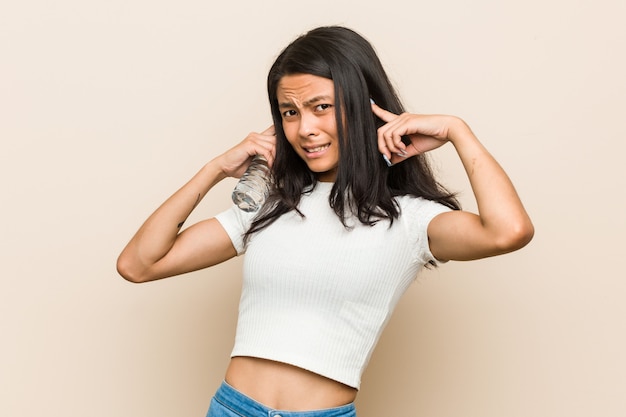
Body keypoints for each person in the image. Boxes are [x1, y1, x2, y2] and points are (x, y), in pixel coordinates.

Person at [117, 25, 534, 417]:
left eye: (321, 108)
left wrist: (458, 131)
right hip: (233, 408)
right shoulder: (270, 206)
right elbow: (139, 264)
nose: (305, 129)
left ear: (361, 106)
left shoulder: (409, 219)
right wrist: (214, 170)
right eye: (290, 112)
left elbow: (507, 231)